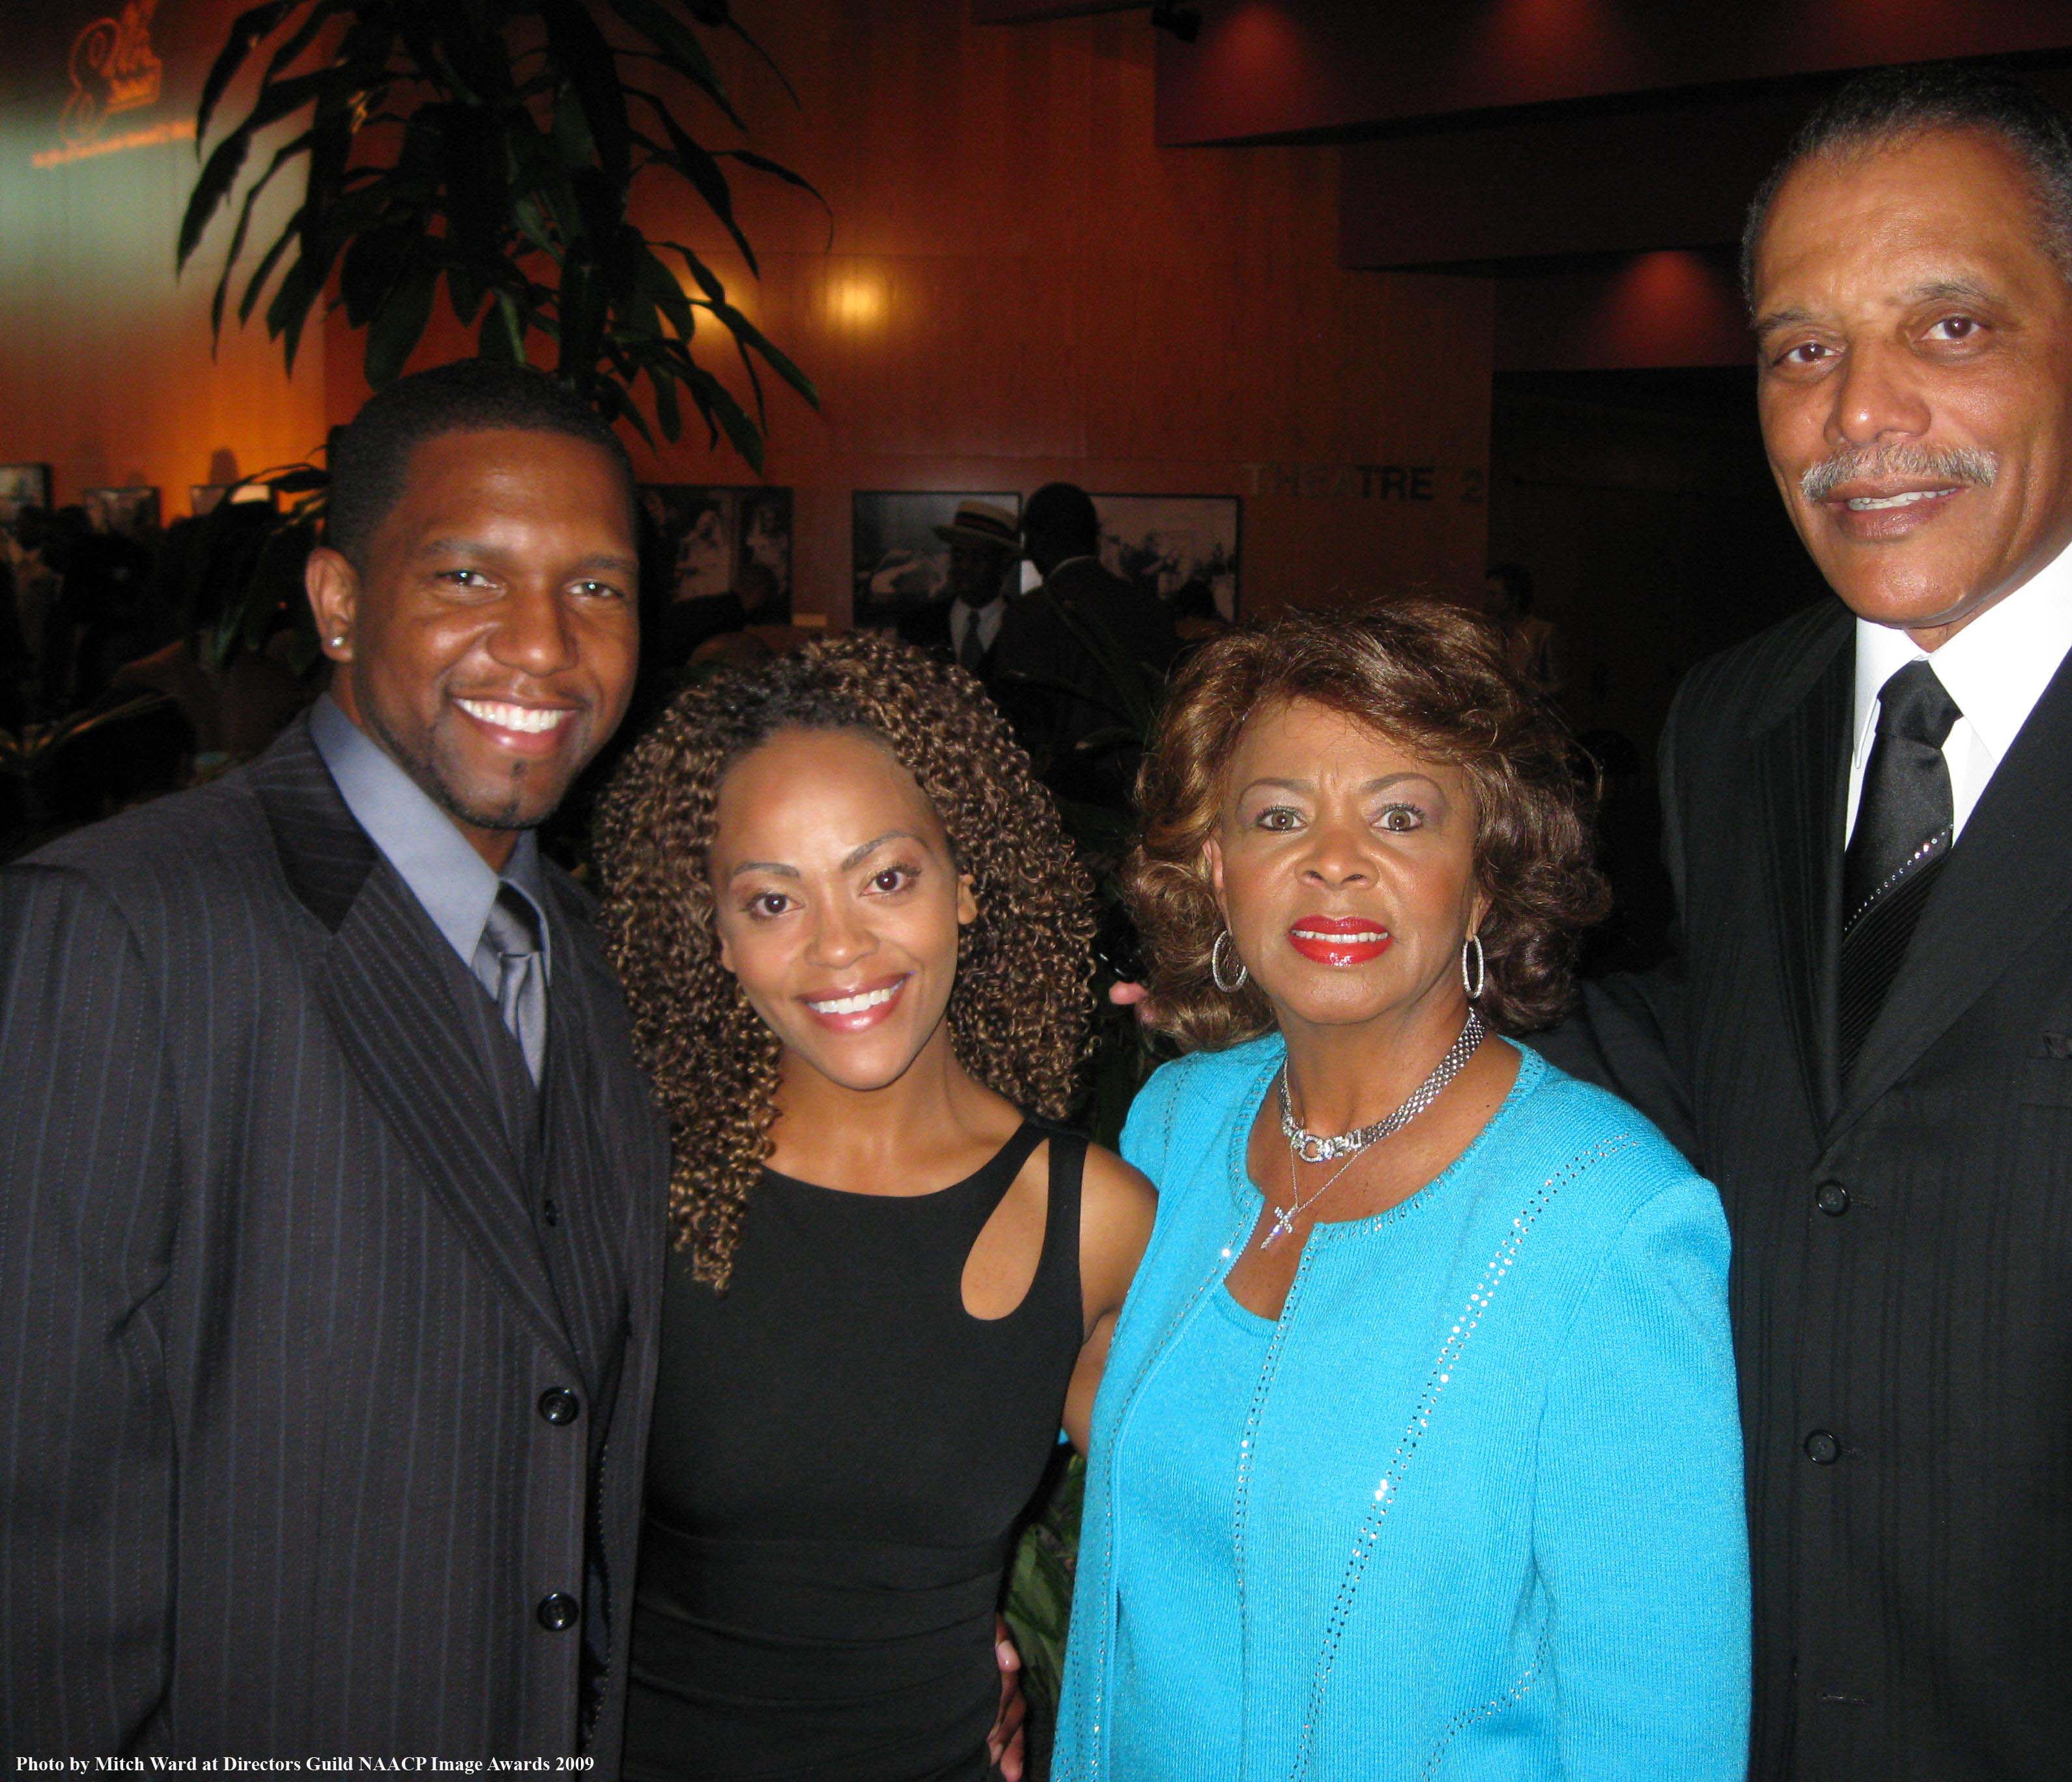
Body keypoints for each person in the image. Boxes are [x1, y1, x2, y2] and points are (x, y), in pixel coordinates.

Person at [1542, 63, 2072, 1781]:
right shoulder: (1738, 721)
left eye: (1948, 329)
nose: (1858, 415)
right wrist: (1360, 993)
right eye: (1799, 349)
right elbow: (1774, 1067)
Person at [0, 360, 670, 1766]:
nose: (544, 646)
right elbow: (36, 1511)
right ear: (340, 603)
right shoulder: (131, 924)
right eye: (470, 579)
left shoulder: (604, 966)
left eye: (597, 588)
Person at [1054, 600, 1750, 1779]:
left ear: (1482, 880)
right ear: (1219, 870)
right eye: (1279, 817)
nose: (1333, 859)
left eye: (1398, 816)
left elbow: (1659, 1737)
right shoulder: (1174, 1127)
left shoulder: (1612, 1224)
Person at [593, 633, 1153, 1782]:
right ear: (716, 937)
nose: (838, 944)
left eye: (886, 876)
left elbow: (1220, 1529)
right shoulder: (636, 1182)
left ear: (967, 885)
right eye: (769, 899)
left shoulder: (1091, 1219)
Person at [1001, 483, 1177, 774]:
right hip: (1140, 785)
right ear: (1094, 539)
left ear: (1037, 542)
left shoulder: (1032, 612)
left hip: (1063, 793)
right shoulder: (1147, 606)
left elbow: (1018, 721)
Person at [896, 498, 1025, 679]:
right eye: (958, 556)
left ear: (1004, 564)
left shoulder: (1026, 632)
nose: (964, 566)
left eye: (977, 558)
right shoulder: (917, 625)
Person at [1485, 559, 1558, 693]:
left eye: (1493, 595)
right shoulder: (1488, 631)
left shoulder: (1542, 632)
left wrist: (1524, 688)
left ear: (1514, 597)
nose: (1487, 600)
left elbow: (1557, 686)